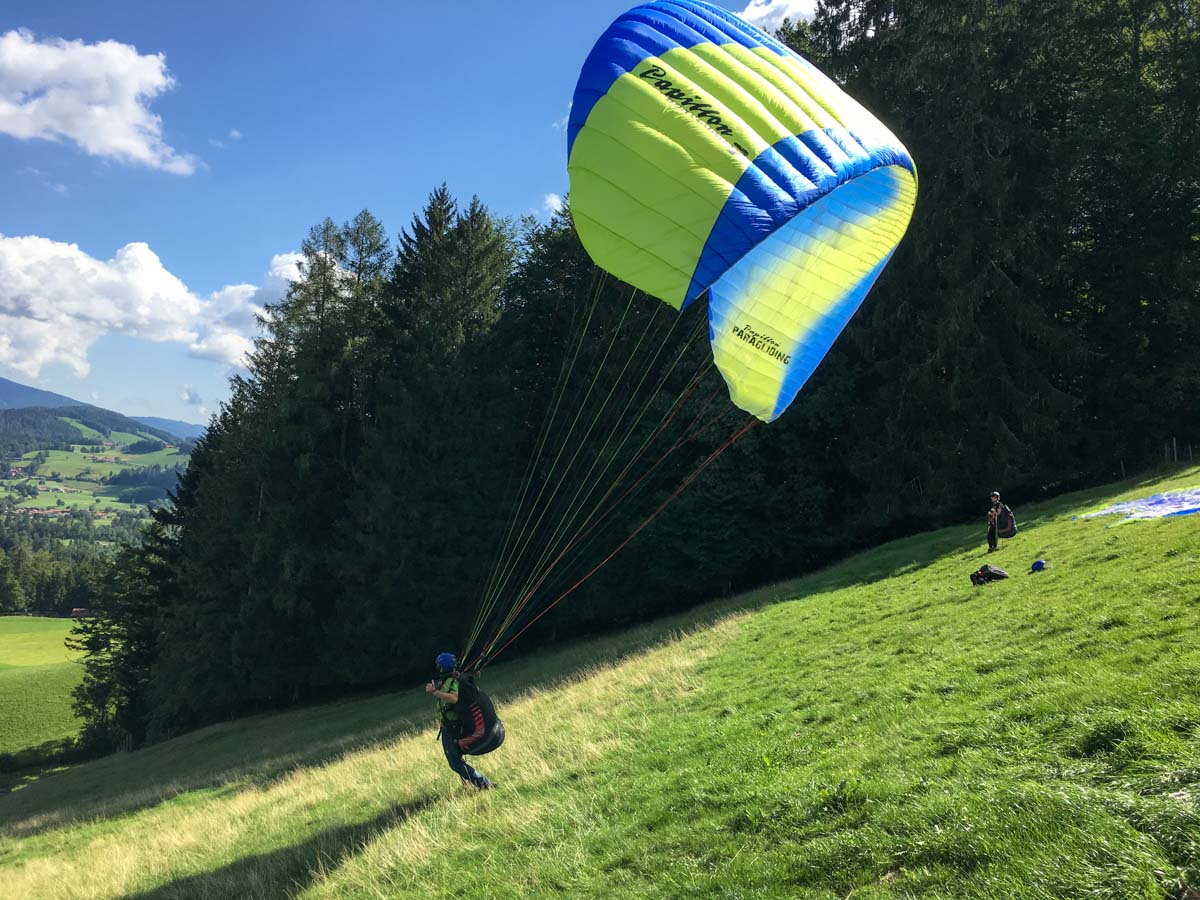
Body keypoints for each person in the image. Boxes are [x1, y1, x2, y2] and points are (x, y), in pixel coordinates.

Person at [426, 652, 504, 790]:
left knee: (455, 763)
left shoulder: (453, 682)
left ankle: (484, 784)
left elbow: (454, 698)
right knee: (456, 759)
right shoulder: (454, 679)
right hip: (452, 726)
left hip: (453, 728)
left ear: (441, 668)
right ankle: (470, 784)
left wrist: (434, 692)